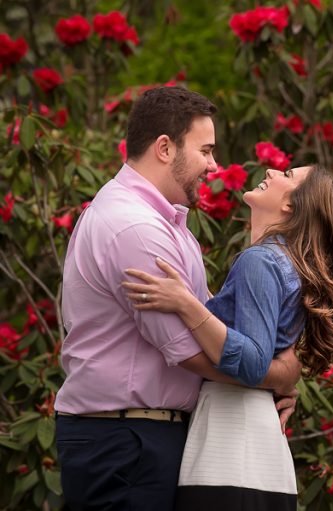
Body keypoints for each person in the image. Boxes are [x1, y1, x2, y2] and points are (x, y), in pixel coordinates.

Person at [54, 86, 302, 511]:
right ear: (165, 148)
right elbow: (191, 353)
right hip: (125, 442)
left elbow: (216, 325)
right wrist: (280, 375)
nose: (214, 165)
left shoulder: (170, 226)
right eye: (205, 151)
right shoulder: (136, 229)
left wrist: (283, 365)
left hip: (145, 436)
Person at [120, 164, 333, 510]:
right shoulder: (285, 264)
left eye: (286, 174)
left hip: (230, 445)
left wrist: (185, 304)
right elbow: (268, 355)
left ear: (291, 205)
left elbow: (254, 362)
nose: (271, 169)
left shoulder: (261, 261)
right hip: (254, 444)